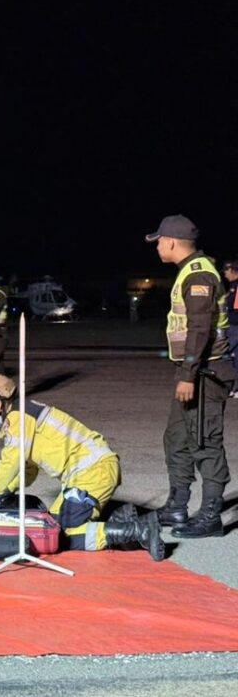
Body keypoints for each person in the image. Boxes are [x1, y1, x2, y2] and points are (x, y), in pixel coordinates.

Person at [0, 374, 165, 560]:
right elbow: (27, 469)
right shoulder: (25, 414)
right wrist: (6, 491)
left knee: (61, 535)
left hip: (92, 472)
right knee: (51, 525)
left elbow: (12, 460)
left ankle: (139, 530)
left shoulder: (19, 418)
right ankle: (121, 516)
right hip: (89, 472)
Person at [147, 215, 234, 538]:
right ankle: (177, 506)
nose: (157, 246)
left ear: (172, 242)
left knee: (205, 441)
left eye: (159, 241)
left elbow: (200, 329)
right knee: (177, 438)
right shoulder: (190, 271)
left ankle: (211, 516)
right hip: (194, 371)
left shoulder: (199, 276)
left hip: (204, 374)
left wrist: (187, 374)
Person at [221, 260, 238, 398]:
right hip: (232, 326)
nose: (225, 274)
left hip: (235, 327)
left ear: (232, 270)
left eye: (226, 271)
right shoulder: (233, 286)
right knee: (234, 359)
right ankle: (234, 388)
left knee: (226, 355)